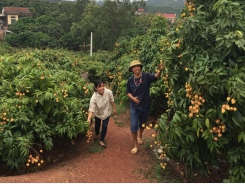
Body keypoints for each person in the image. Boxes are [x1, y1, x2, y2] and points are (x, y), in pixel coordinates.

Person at [126, 60, 163, 154]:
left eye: (137, 66)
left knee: (142, 123)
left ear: (140, 67)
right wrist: (133, 99)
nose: (136, 68)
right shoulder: (130, 80)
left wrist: (160, 70)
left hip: (145, 105)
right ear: (132, 70)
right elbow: (128, 92)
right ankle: (135, 145)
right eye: (134, 67)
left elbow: (156, 76)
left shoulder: (146, 76)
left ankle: (140, 136)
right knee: (133, 126)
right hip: (134, 106)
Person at [87, 79, 117, 148]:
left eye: (102, 86)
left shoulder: (108, 92)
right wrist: (88, 119)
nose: (102, 88)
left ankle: (101, 140)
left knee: (104, 126)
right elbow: (91, 109)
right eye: (99, 87)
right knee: (97, 125)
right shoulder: (94, 98)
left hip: (107, 111)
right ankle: (97, 134)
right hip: (98, 113)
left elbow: (112, 100)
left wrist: (114, 109)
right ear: (96, 88)